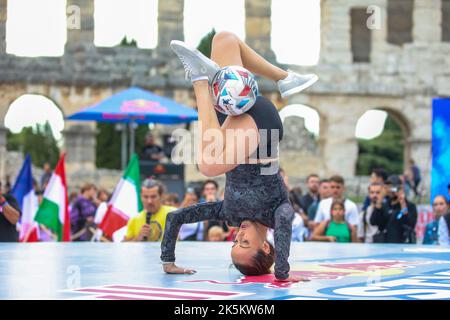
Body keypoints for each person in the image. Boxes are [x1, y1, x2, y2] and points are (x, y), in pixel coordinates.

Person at [160, 31, 318, 282]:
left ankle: (285, 78)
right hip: (261, 128)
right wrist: (282, 273)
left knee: (224, 40)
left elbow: (176, 217)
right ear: (266, 247)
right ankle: (200, 79)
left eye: (234, 242)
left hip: (230, 119)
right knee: (209, 166)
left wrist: (168, 261)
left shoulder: (230, 214)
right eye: (244, 243)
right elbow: (284, 237)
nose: (238, 235)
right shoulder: (279, 214)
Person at [370, 175, 417, 244]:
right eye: (388, 187)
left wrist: (402, 203)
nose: (391, 190)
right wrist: (380, 199)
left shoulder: (410, 206)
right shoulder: (385, 205)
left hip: (402, 243)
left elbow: (410, 223)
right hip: (385, 244)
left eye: (393, 187)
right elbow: (373, 221)